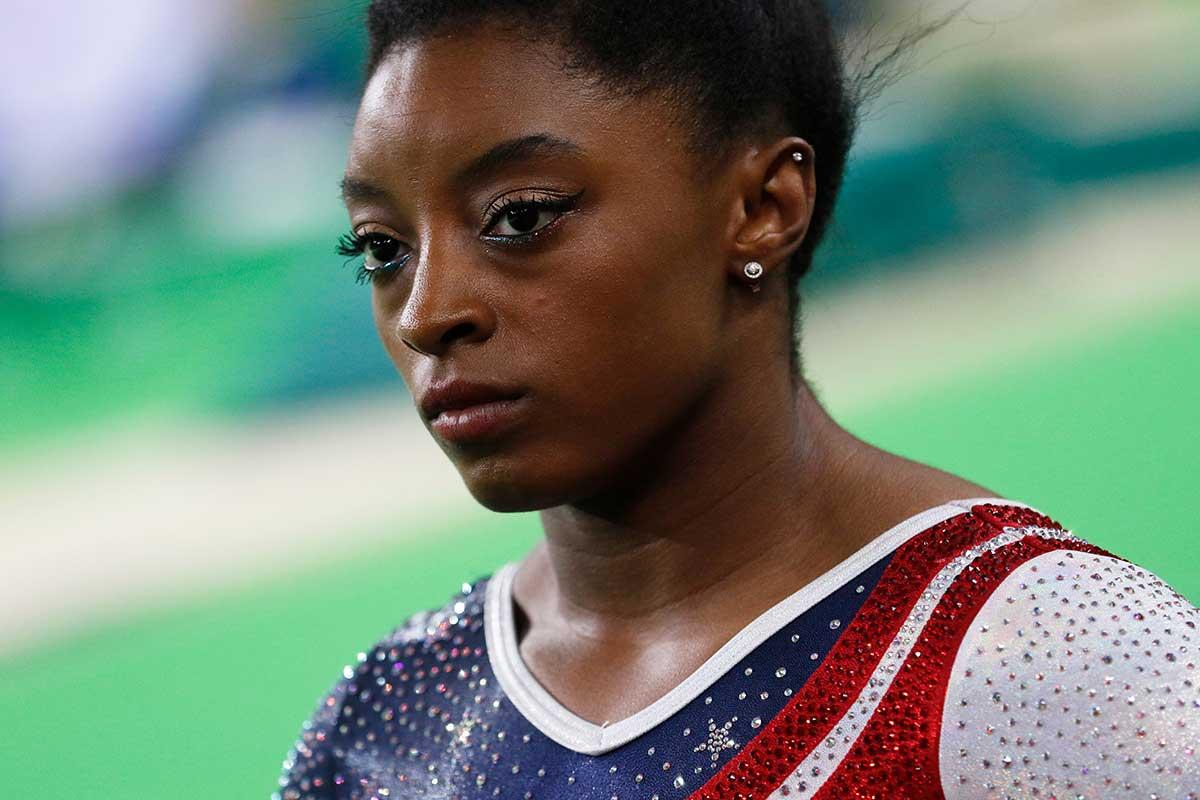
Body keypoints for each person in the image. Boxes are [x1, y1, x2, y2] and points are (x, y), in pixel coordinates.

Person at [275, 2, 1198, 798]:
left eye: (520, 218)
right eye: (382, 249)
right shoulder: (384, 734)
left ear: (764, 206)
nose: (428, 314)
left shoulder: (1041, 663)